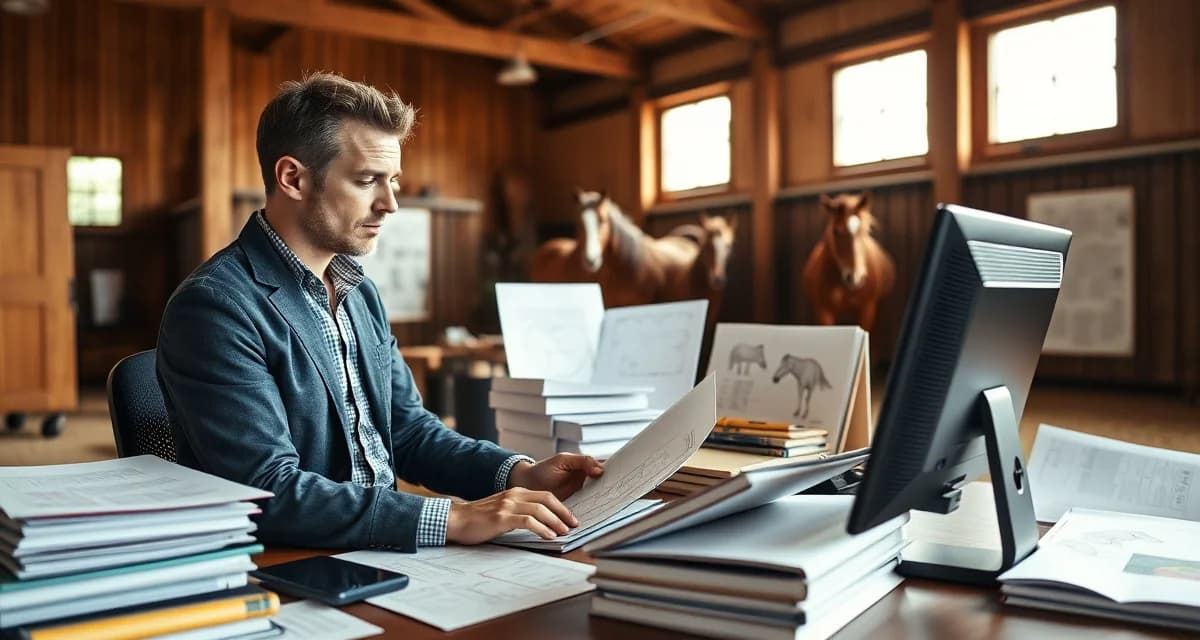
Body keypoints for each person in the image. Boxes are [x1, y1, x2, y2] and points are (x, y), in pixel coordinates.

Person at [157, 72, 603, 552]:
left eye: (393, 181)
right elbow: (268, 490)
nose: (390, 204)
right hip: (290, 562)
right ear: (293, 178)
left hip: (381, 550)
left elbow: (407, 431)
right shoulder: (214, 307)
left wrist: (517, 473)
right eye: (367, 180)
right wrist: (452, 517)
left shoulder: (359, 293)